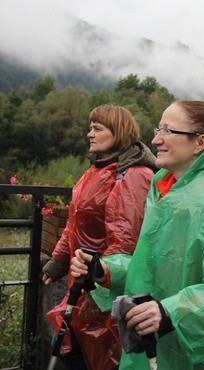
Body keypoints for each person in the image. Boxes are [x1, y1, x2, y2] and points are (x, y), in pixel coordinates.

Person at [71, 100, 204, 369]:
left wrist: (170, 311)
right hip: (154, 351)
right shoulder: (163, 192)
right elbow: (155, 266)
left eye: (168, 131)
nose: (155, 139)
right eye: (158, 129)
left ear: (200, 142)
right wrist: (105, 270)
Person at [42, 104, 157, 370]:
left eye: (97, 128)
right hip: (83, 282)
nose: (89, 134)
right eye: (90, 127)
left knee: (97, 359)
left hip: (103, 293)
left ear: (117, 132)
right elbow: (74, 223)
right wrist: (58, 260)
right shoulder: (95, 170)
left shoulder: (134, 175)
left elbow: (126, 242)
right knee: (71, 352)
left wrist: (98, 295)